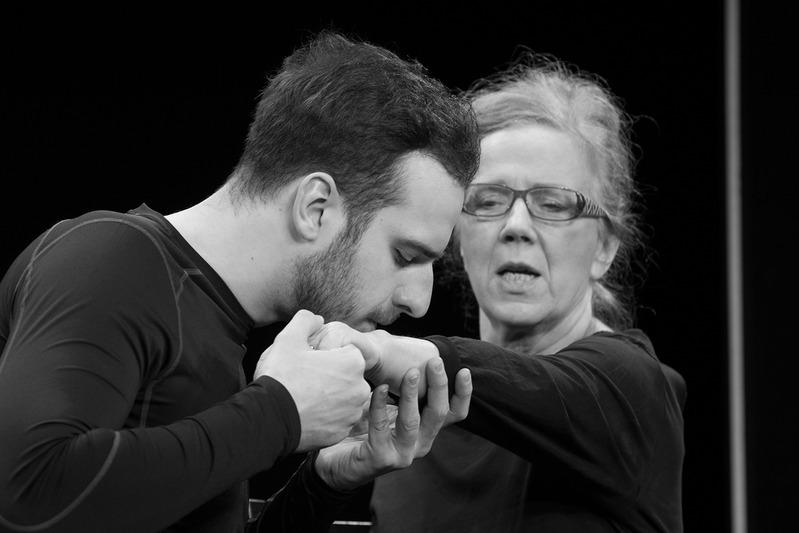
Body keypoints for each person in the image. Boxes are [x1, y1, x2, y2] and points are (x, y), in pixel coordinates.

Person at [0, 31, 478, 532]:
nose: (420, 301)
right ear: (315, 208)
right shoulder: (108, 257)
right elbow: (28, 494)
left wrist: (323, 483)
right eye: (405, 255)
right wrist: (280, 413)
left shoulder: (220, 325)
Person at [312, 53, 686, 532]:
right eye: (488, 201)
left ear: (604, 249)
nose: (516, 226)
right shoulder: (410, 422)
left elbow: (544, 390)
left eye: (554, 205)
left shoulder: (632, 390)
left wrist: (375, 351)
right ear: (458, 237)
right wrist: (323, 485)